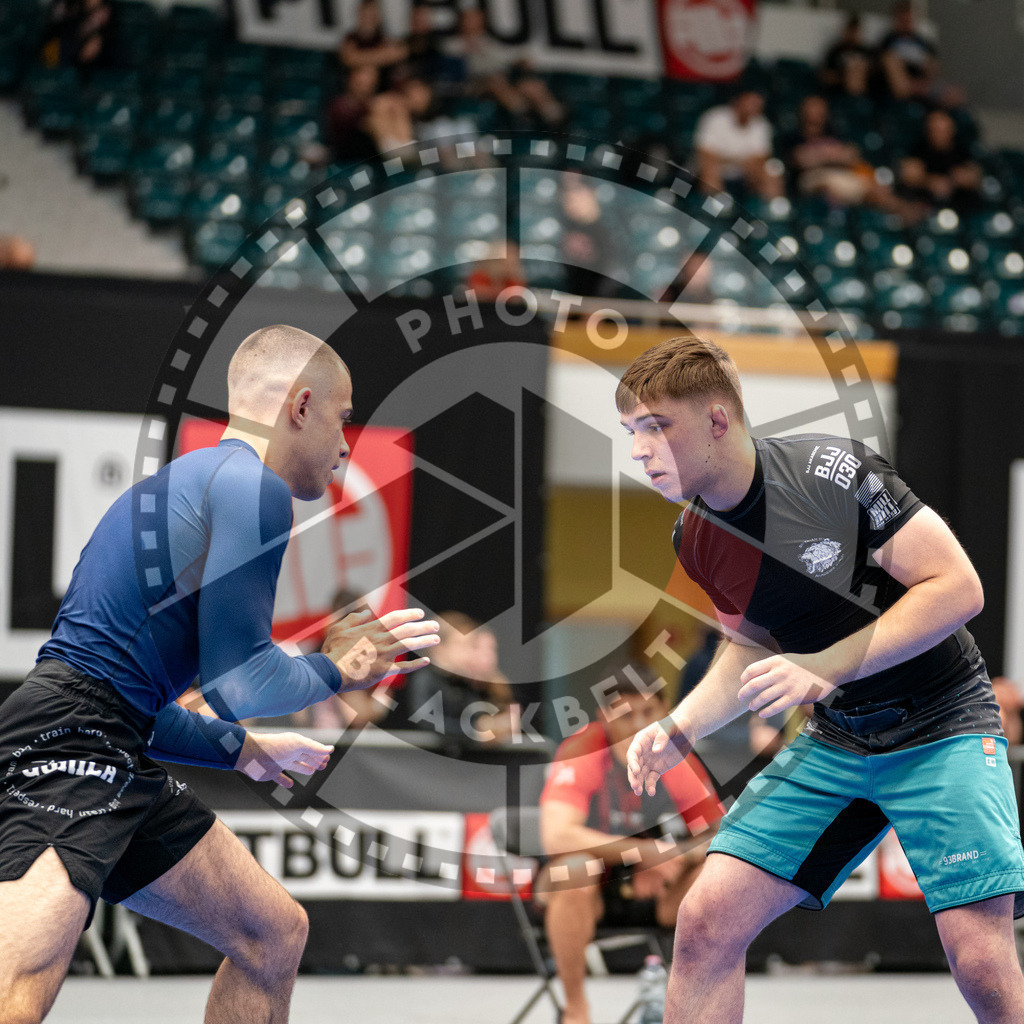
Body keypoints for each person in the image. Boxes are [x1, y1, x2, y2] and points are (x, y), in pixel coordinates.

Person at [0, 325, 441, 1023]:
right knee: (15, 997)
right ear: (300, 407)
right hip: (70, 753)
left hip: (99, 738)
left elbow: (126, 701)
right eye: (343, 416)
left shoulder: (178, 486)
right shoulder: (252, 489)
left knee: (272, 934)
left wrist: (243, 749)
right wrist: (341, 669)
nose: (346, 443)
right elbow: (241, 684)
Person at [619, 334, 1024, 1023]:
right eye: (631, 432)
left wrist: (823, 667)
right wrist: (680, 726)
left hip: (942, 722)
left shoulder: (828, 472)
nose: (638, 450)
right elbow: (746, 648)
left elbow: (958, 587)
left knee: (979, 959)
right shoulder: (696, 538)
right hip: (839, 741)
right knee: (707, 921)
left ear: (718, 420)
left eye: (656, 427)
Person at [537, 669, 723, 1024]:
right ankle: (576, 1010)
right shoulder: (582, 749)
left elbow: (721, 833)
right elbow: (557, 835)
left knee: (714, 871)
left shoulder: (672, 753)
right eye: (625, 714)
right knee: (575, 869)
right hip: (586, 892)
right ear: (604, 716)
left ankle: (690, 1008)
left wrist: (677, 857)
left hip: (657, 890)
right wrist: (644, 854)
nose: (638, 724)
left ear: (666, 712)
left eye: (649, 713)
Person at [782, 94, 924, 223]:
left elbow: (852, 154)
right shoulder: (794, 135)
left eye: (820, 109)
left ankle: (900, 213)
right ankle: (900, 209)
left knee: (873, 184)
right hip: (809, 179)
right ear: (803, 110)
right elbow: (800, 160)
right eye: (812, 108)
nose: (816, 113)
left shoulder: (833, 132)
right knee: (833, 184)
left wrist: (823, 155)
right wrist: (831, 155)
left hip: (840, 175)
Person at [403, 611, 516, 745]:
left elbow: (476, 717)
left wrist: (493, 723)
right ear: (438, 648)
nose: (467, 653)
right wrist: (475, 732)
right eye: (460, 645)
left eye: (469, 645)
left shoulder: (465, 682)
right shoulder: (425, 679)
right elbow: (426, 721)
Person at [692, 91, 783, 200]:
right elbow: (706, 154)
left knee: (771, 170)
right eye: (751, 102)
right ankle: (716, 208)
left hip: (744, 170)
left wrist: (740, 162)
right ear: (738, 101)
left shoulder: (762, 124)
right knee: (710, 167)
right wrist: (739, 160)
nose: (754, 107)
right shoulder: (715, 117)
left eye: (758, 104)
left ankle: (772, 210)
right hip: (716, 166)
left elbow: (760, 158)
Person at [876, 0, 963, 107]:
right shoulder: (889, 40)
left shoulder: (923, 43)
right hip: (898, 83)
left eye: (909, 19)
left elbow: (934, 66)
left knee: (956, 94)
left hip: (923, 82)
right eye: (903, 19)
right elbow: (881, 62)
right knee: (890, 61)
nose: (906, 23)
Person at [899, 107, 982, 213]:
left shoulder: (962, 150)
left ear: (952, 129)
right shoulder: (918, 148)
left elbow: (975, 174)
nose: (940, 133)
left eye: (943, 130)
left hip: (957, 204)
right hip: (926, 204)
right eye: (935, 129)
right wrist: (928, 181)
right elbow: (909, 173)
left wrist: (958, 179)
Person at [819, 14, 873, 97]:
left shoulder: (866, 51)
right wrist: (846, 76)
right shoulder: (835, 51)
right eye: (850, 30)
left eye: (855, 31)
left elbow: (873, 74)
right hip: (838, 91)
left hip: (863, 92)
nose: (852, 35)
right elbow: (825, 75)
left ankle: (857, 101)